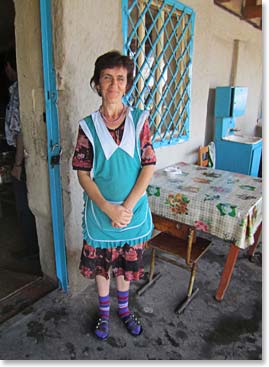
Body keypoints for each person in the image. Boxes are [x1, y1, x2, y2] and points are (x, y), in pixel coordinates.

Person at [72, 50, 156, 340]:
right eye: (107, 77)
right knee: (102, 267)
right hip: (101, 212)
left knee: (123, 265)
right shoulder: (88, 126)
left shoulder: (139, 120)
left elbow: (149, 166)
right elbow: (83, 173)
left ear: (127, 83)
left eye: (120, 78)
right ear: (97, 83)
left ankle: (124, 309)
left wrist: (127, 207)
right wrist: (109, 209)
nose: (113, 84)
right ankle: (104, 315)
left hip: (132, 214)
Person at [4, 48, 39, 259]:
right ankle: (34, 247)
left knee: (23, 204)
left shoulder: (18, 91)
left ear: (9, 67)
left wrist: (17, 165)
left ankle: (32, 249)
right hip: (28, 154)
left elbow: (20, 131)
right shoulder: (23, 90)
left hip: (23, 157)